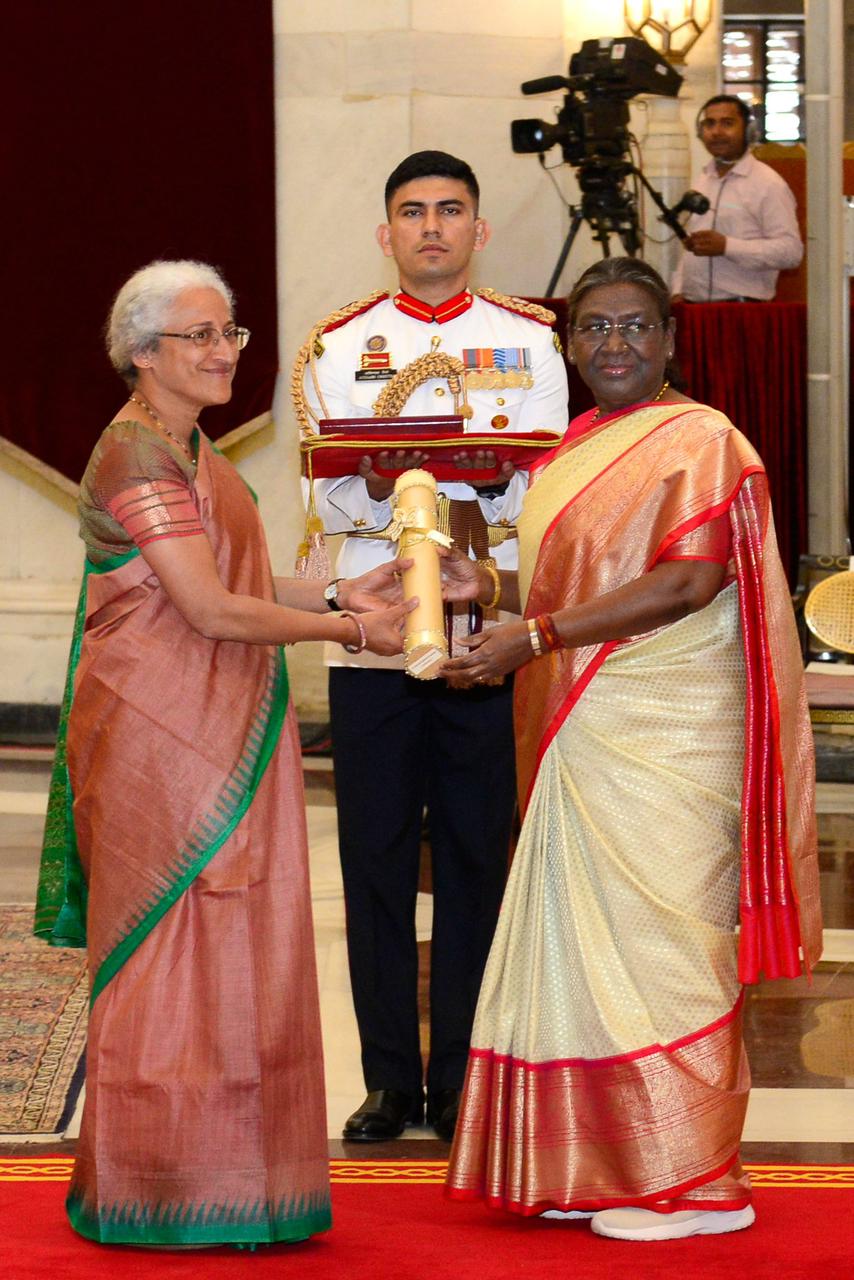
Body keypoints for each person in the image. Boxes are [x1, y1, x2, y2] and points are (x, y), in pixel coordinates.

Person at [33, 259, 416, 1249]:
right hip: (158, 740)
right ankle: (155, 1188)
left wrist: (346, 597)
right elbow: (203, 606)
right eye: (200, 334)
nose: (222, 351)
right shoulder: (133, 458)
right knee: (172, 955)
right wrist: (349, 634)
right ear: (141, 352)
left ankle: (236, 1183)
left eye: (230, 333)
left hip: (220, 720)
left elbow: (235, 577)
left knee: (238, 949)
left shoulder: (189, 450)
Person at [441, 257, 821, 1241]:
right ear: (570, 348)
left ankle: (693, 1180)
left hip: (670, 734)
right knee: (582, 951)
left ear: (667, 340)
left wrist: (531, 637)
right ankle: (599, 1159)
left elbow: (682, 587)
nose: (613, 343)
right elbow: (565, 600)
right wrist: (485, 596)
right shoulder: (569, 448)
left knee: (664, 950)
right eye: (595, 328)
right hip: (583, 727)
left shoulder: (700, 437)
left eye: (633, 326)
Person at [292, 150, 569, 1143]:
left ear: (479, 229)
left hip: (477, 628)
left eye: (450, 210)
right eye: (411, 212)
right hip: (370, 634)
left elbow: (545, 485)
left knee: (469, 857)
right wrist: (381, 479)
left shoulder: (528, 341)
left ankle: (457, 1076)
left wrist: (470, 478)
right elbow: (317, 492)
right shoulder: (339, 343)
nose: (431, 227)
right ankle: (382, 1081)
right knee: (369, 859)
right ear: (385, 233)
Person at [671, 94, 802, 302]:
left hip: (743, 311)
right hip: (694, 309)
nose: (716, 132)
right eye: (709, 124)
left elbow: (791, 252)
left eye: (727, 123)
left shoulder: (768, 184)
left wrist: (727, 246)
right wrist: (678, 290)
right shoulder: (703, 179)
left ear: (748, 131)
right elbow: (690, 247)